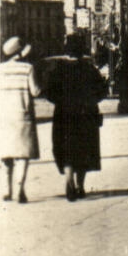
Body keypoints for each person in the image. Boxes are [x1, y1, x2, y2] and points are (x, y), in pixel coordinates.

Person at [44, 34, 109, 201]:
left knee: (66, 150)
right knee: (84, 150)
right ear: (82, 50)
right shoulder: (89, 69)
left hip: (63, 115)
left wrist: (61, 101)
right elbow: (102, 91)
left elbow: (49, 92)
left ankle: (69, 181)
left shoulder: (59, 69)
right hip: (86, 114)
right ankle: (80, 186)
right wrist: (91, 100)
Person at [2, 38, 42, 203]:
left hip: (2, 116)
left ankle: (7, 190)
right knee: (22, 155)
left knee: (5, 155)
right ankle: (20, 189)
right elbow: (35, 91)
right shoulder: (27, 68)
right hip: (22, 116)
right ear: (20, 52)